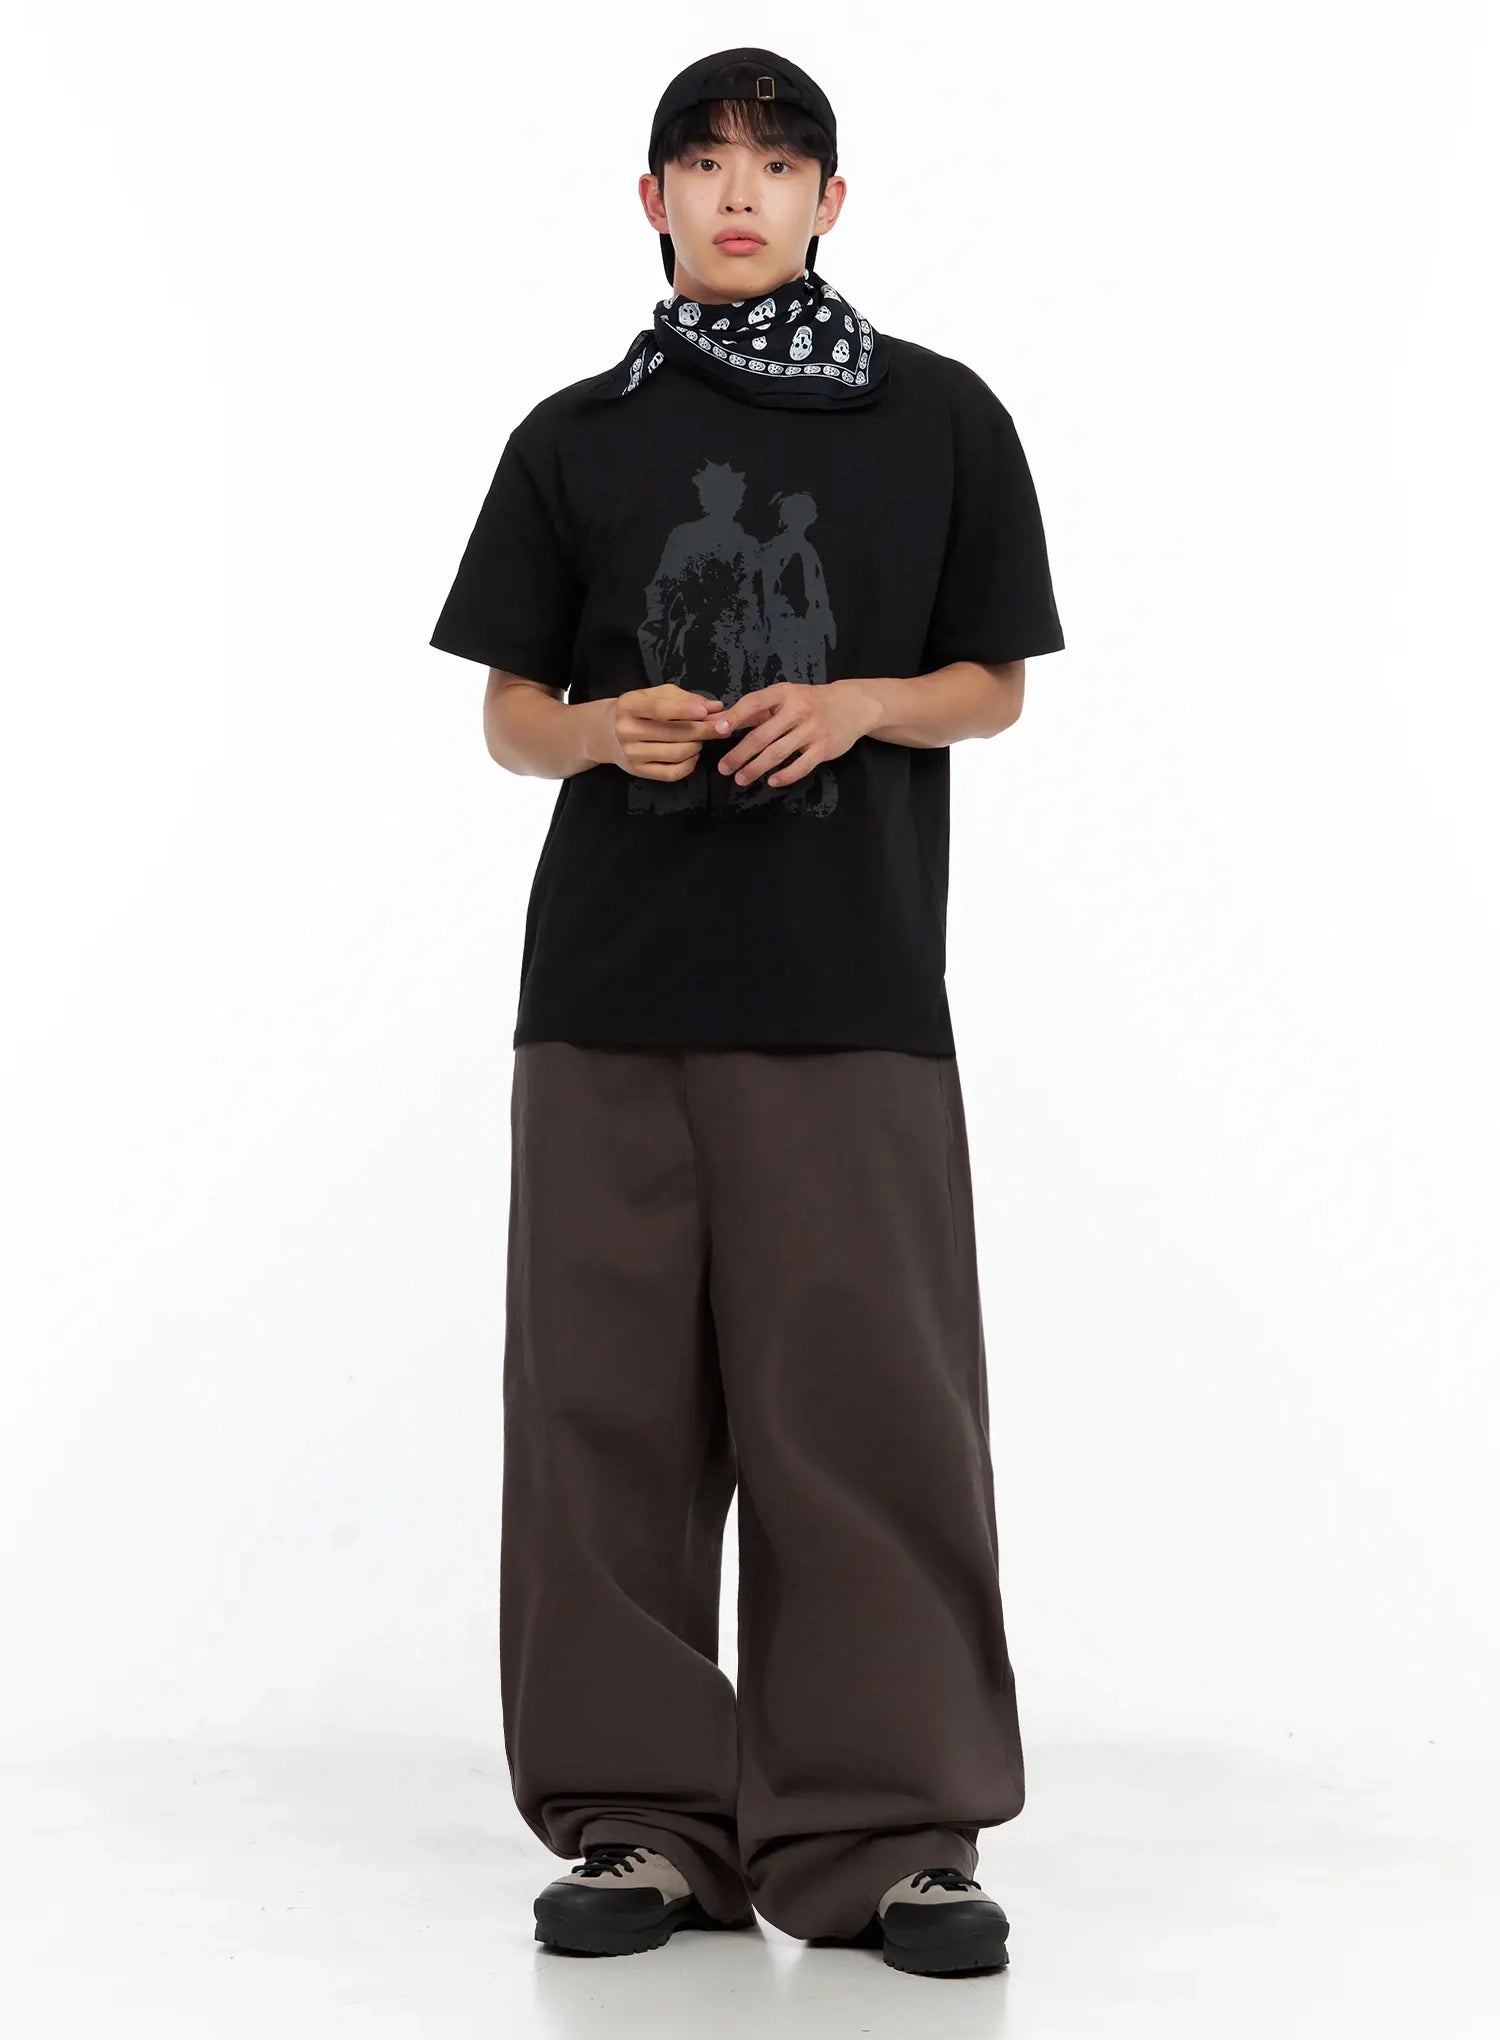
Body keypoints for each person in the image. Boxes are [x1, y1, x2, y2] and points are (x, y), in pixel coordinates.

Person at [428, 46, 1065, 1979]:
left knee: (871, 1414)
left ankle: (894, 1835)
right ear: (649, 200)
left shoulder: (939, 418)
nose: (737, 191)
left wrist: (861, 703)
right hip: (607, 994)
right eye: (702, 161)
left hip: (851, 987)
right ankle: (638, 1823)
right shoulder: (574, 439)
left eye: (777, 164)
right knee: (601, 1412)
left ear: (829, 202)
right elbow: (506, 713)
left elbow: (994, 684)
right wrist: (591, 733)